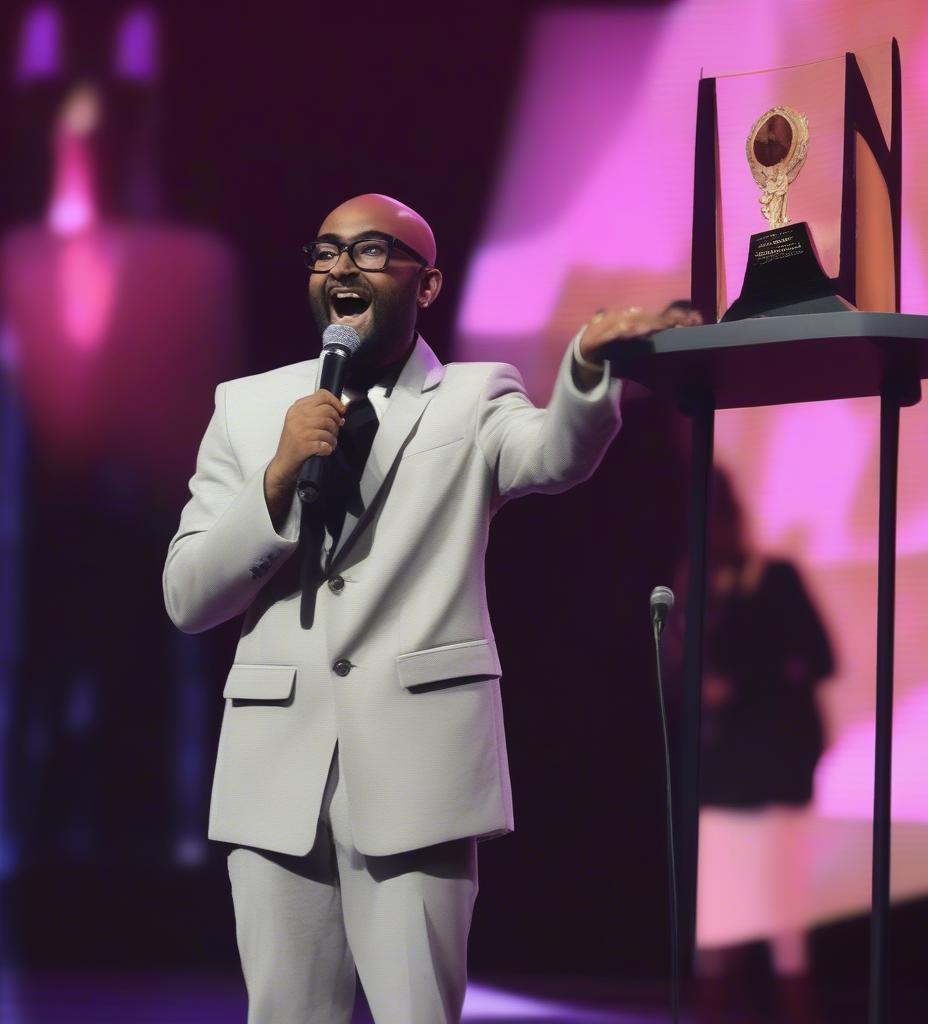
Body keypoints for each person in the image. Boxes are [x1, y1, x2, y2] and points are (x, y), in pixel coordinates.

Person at [163, 193, 701, 1024]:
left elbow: (551, 454)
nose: (341, 266)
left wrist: (589, 371)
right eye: (326, 251)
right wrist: (274, 483)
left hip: (417, 771)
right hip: (275, 768)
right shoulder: (248, 406)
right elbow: (188, 595)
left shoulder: (473, 397)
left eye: (372, 251)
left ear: (428, 284)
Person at [668, 467, 835, 1024]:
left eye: (721, 519)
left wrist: (741, 683)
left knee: (785, 930)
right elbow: (673, 676)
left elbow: (820, 659)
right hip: (724, 783)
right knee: (720, 933)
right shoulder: (693, 589)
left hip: (775, 779)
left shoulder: (776, 578)